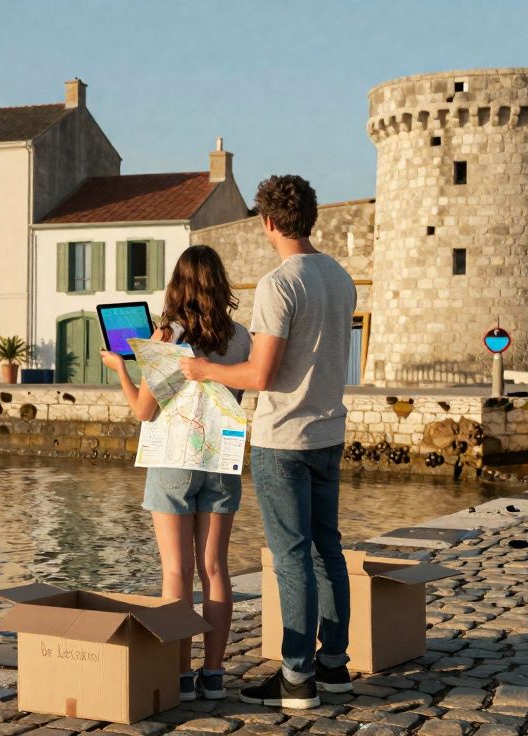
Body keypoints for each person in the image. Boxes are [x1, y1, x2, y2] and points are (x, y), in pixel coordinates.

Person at [180, 175, 356, 709]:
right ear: (311, 217)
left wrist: (203, 369)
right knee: (328, 548)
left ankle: (297, 677)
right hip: (329, 432)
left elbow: (260, 375)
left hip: (286, 439)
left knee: (292, 556)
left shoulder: (280, 284)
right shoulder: (341, 277)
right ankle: (334, 665)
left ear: (269, 222)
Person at [100, 244, 251, 702]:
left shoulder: (168, 336)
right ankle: (215, 672)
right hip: (221, 461)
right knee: (215, 568)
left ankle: (182, 674)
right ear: (219, 284)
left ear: (177, 285)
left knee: (176, 571)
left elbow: (145, 410)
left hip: (174, 460)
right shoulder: (241, 336)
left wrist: (121, 369)